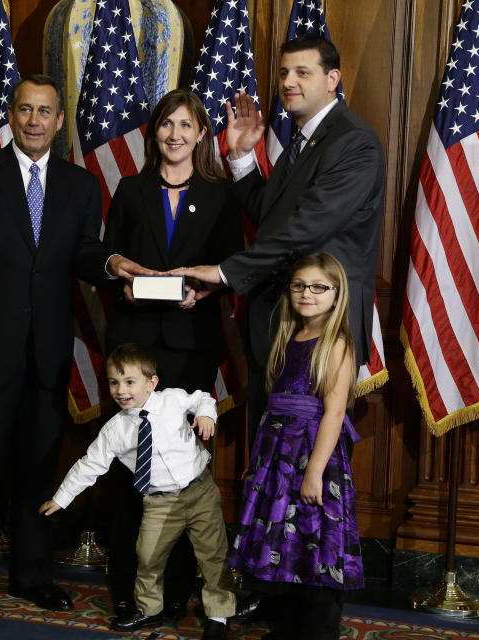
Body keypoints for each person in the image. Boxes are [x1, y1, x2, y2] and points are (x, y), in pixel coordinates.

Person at [0, 74, 147, 623]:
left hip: (46, 357)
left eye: (45, 111)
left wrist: (113, 265)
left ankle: (31, 575)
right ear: (11, 113)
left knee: (35, 474)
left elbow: (85, 256)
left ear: (59, 119)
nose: (34, 120)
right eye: (25, 109)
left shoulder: (79, 183)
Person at [172, 33, 385, 443]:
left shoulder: (354, 142)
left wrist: (225, 272)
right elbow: (273, 219)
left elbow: (307, 228)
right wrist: (240, 156)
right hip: (278, 326)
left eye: (303, 72)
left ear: (332, 79)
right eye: (285, 72)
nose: (289, 81)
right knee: (270, 470)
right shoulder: (302, 144)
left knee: (311, 475)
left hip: (323, 328)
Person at [101, 88, 243, 621]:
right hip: (134, 348)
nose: (175, 135)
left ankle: (180, 590)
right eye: (166, 125)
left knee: (182, 474)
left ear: (203, 133)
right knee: (133, 469)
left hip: (189, 350)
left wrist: (207, 289)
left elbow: (232, 267)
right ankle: (130, 593)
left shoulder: (220, 195)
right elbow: (109, 257)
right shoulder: (130, 190)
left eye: (186, 125)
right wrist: (123, 281)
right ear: (154, 131)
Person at [40, 343, 236, 640]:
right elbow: (89, 465)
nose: (121, 390)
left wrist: (208, 415)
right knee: (148, 556)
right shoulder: (115, 429)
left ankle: (219, 615)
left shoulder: (171, 400)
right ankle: (148, 609)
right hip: (159, 501)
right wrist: (61, 498)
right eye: (114, 382)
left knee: (213, 554)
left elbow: (202, 398)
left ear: (151, 382)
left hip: (200, 492)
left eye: (130, 382)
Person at [230, 252, 362, 640]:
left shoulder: (336, 344)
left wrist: (315, 472)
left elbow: (334, 415)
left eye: (319, 287)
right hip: (277, 452)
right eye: (299, 286)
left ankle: (318, 630)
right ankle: (289, 625)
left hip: (311, 453)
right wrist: (259, 461)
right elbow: (272, 407)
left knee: (313, 535)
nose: (307, 294)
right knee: (283, 539)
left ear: (337, 294)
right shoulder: (289, 334)